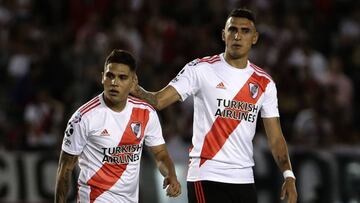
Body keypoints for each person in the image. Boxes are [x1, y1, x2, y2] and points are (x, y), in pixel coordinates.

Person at [131, 8, 297, 203]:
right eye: (232, 29)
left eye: (245, 31)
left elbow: (276, 138)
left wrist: (288, 175)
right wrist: (137, 90)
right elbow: (159, 100)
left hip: (244, 179)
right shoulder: (201, 69)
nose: (237, 35)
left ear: (255, 38)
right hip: (207, 175)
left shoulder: (264, 83)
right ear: (223, 35)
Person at [55, 49, 181, 203]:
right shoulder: (83, 118)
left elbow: (161, 154)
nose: (114, 83)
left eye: (122, 77)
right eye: (110, 76)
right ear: (102, 78)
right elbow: (65, 169)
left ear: (133, 81)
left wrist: (171, 175)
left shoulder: (146, 113)